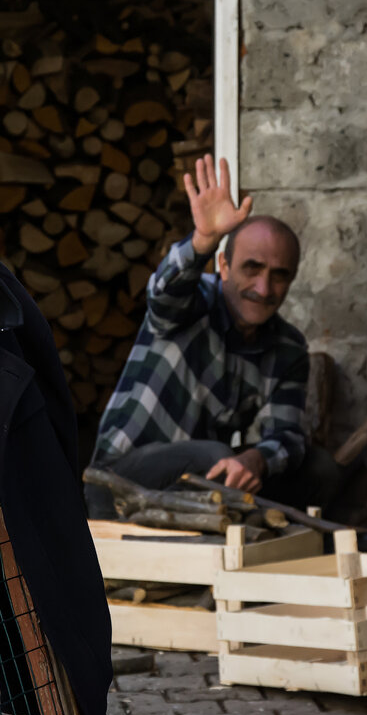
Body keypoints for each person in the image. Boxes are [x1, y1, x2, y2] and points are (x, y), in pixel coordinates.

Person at [85, 154, 340, 519]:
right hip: (119, 481)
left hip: (199, 480)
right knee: (215, 457)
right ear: (222, 266)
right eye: (251, 268)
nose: (264, 288)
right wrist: (204, 240)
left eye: (279, 275)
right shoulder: (193, 301)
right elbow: (163, 291)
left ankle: (251, 536)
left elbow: (287, 435)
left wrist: (255, 460)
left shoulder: (287, 348)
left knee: (319, 468)